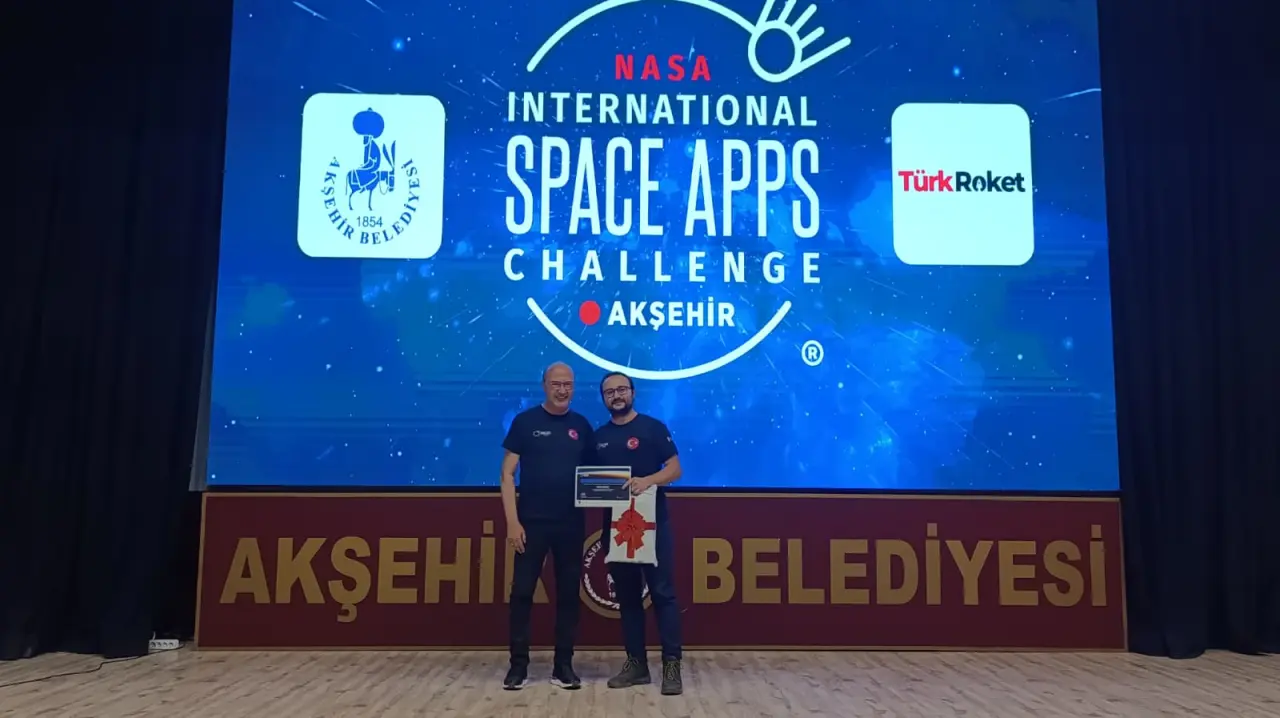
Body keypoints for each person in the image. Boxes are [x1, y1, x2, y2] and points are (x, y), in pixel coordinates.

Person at [499, 362, 595, 691]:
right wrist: (512, 522)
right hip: (530, 525)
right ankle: (518, 666)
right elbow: (507, 474)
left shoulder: (582, 426)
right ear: (544, 385)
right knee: (522, 593)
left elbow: (595, 475)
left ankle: (563, 666)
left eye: (568, 384)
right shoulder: (525, 422)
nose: (562, 390)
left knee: (568, 595)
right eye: (556, 384)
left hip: (571, 525)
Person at [593, 371, 685, 696]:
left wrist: (648, 481)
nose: (616, 395)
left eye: (621, 389)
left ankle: (672, 665)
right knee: (628, 598)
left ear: (632, 393)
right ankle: (637, 665)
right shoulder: (599, 437)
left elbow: (675, 469)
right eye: (609, 392)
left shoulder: (653, 428)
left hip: (653, 525)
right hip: (616, 529)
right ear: (603, 399)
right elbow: (590, 481)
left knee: (663, 594)